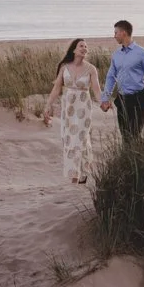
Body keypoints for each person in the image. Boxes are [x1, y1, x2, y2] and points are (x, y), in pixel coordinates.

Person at [42, 37, 99, 183]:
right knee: (68, 138)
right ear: (74, 49)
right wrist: (48, 105)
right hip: (68, 109)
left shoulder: (91, 69)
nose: (84, 48)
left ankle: (76, 174)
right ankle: (81, 171)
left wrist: (105, 103)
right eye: (81, 46)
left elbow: (97, 91)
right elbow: (56, 88)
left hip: (83, 109)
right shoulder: (64, 67)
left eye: (86, 46)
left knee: (80, 138)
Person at [100, 19, 144, 141]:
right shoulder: (116, 55)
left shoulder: (142, 53)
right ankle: (128, 159)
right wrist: (105, 98)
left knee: (134, 135)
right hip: (122, 100)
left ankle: (141, 158)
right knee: (125, 136)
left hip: (138, 99)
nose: (114, 36)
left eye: (116, 32)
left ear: (124, 33)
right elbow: (111, 77)